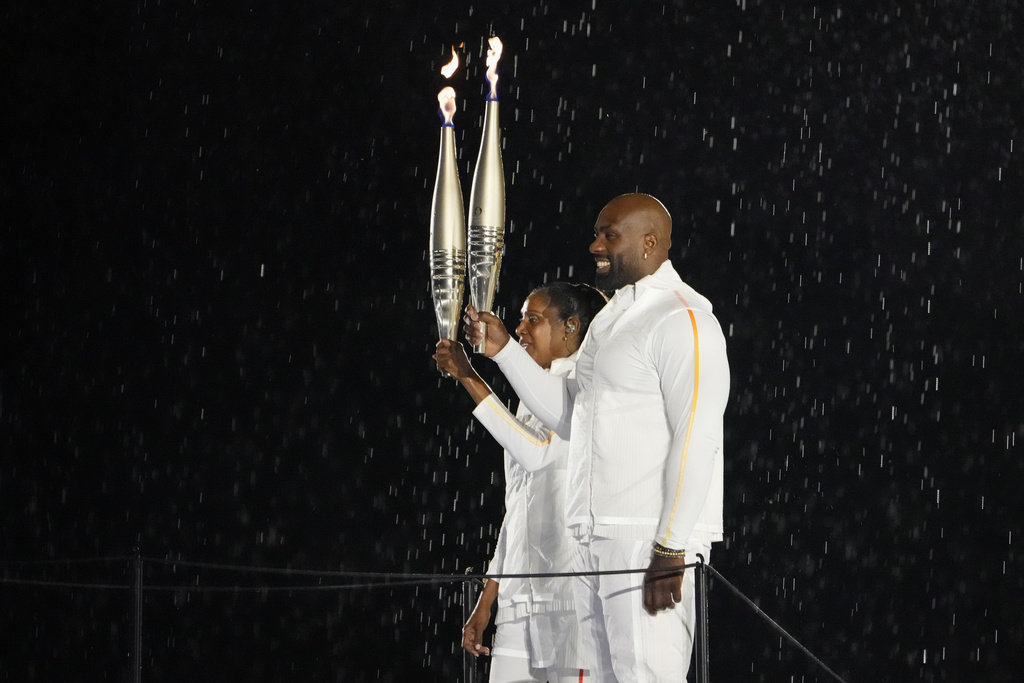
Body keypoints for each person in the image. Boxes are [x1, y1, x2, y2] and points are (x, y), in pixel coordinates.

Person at [464, 193, 730, 682]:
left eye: (610, 235)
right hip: (591, 540)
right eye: (597, 233)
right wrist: (503, 351)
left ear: (649, 243)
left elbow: (698, 436)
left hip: (643, 541)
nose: (594, 245)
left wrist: (670, 548)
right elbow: (571, 413)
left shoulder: (683, 318)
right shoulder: (610, 320)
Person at [434, 281, 608, 683]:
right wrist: (488, 598)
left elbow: (535, 451)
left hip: (569, 605)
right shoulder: (530, 396)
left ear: (571, 327)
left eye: (534, 319)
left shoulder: (582, 388)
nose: (520, 329)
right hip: (519, 603)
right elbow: (518, 507)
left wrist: (467, 376)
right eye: (521, 318)